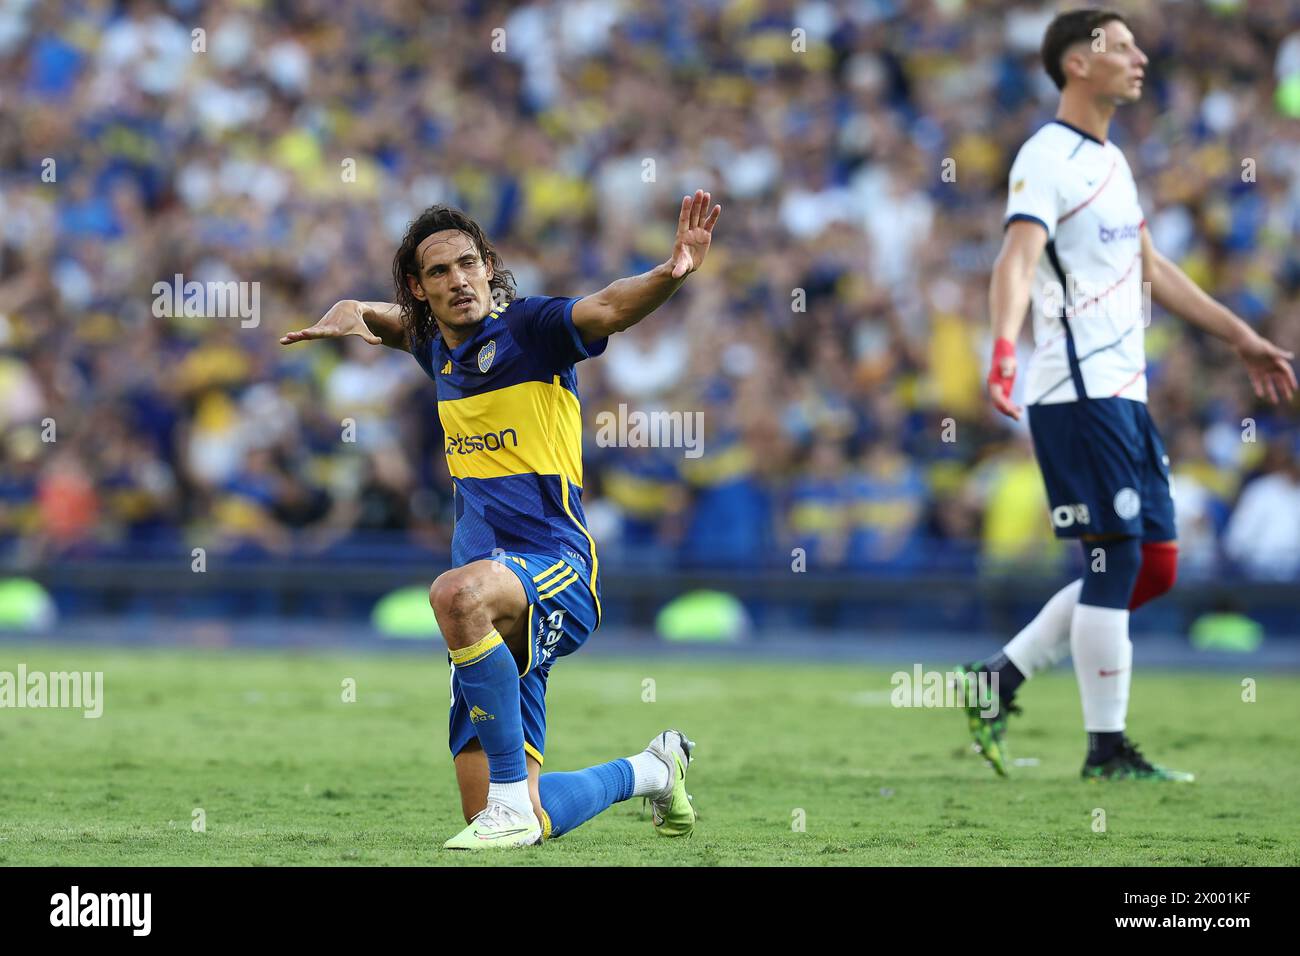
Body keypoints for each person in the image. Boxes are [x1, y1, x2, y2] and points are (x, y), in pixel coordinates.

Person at [281, 190, 722, 846]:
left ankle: (511, 806)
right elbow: (390, 324)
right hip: (491, 609)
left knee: (453, 592)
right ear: (419, 287)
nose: (457, 279)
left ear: (488, 266)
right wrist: (355, 315)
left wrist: (670, 272)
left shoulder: (531, 331)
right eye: (439, 271)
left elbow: (608, 307)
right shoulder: (436, 348)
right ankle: (652, 769)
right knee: (490, 806)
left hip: (554, 570)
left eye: (467, 263)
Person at [961, 9, 1295, 781]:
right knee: (1115, 562)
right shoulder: (1045, 156)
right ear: (1077, 63)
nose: (1140, 56)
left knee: (1158, 567)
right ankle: (1105, 751)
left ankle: (998, 680)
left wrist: (1239, 334)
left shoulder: (1113, 163)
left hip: (1124, 394)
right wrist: (1005, 344)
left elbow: (1154, 269)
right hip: (1075, 393)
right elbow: (1015, 258)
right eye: (1121, 45)